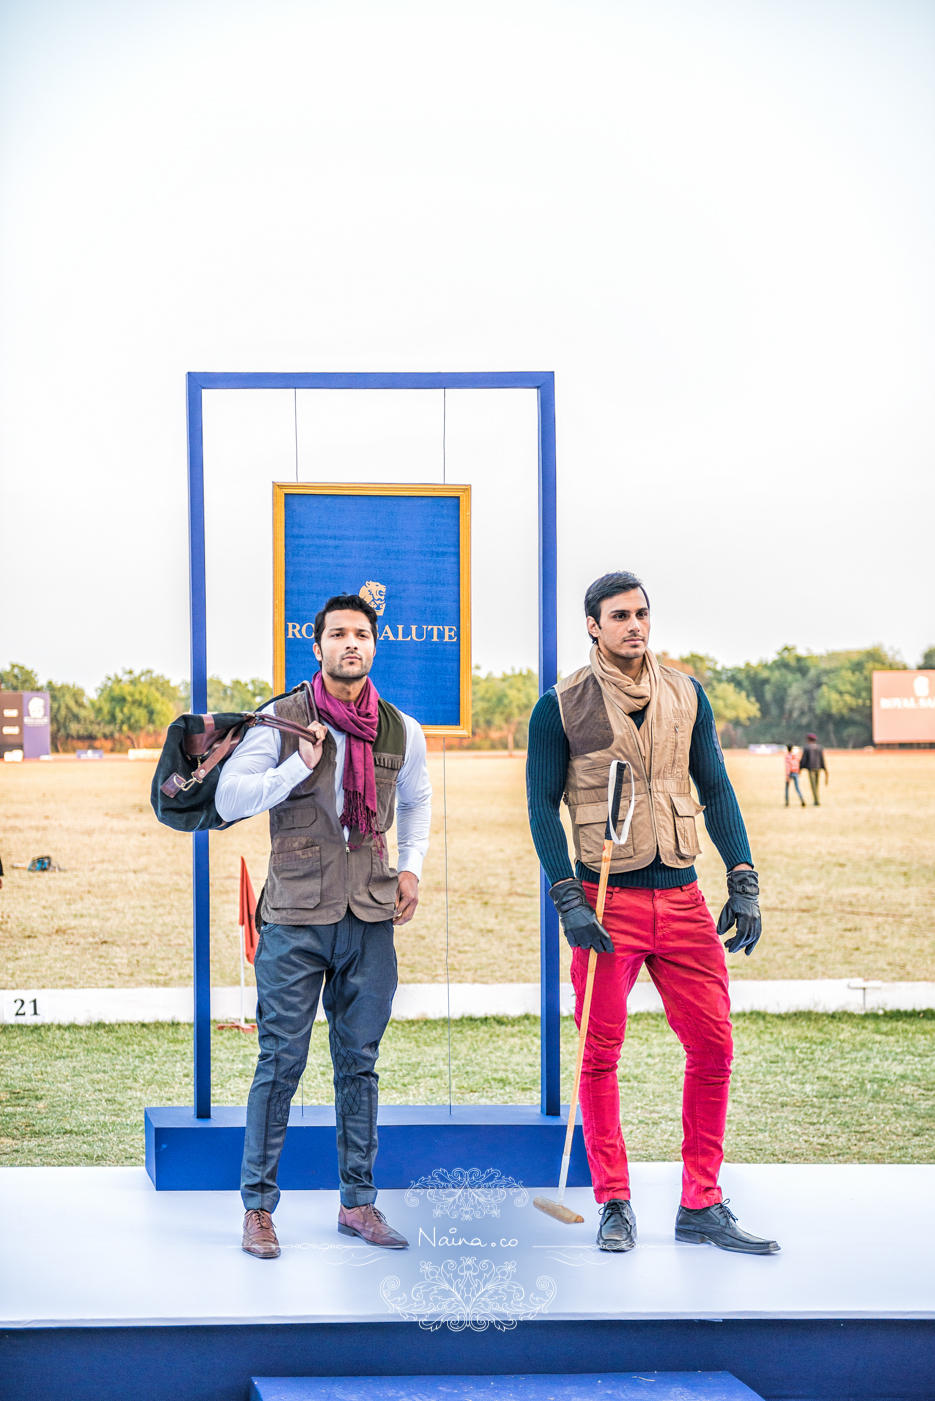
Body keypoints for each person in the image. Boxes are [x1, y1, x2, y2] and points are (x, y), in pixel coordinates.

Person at [526, 571, 778, 1257]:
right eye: (618, 615)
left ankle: (700, 1200)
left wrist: (743, 876)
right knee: (598, 1053)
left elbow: (716, 787)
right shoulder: (561, 706)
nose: (633, 625)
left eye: (640, 613)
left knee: (714, 1045)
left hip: (683, 897)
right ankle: (613, 1200)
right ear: (591, 624)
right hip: (606, 905)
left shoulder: (684, 692)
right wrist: (566, 897)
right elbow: (539, 806)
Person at [215, 593, 431, 1259]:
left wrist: (412, 866)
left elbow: (416, 799)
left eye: (361, 634)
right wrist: (294, 766)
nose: (350, 644)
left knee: (359, 1064)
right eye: (337, 633)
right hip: (293, 914)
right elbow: (229, 798)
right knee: (280, 1060)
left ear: (375, 644)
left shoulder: (400, 728)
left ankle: (357, 1203)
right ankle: (258, 1209)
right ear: (316, 646)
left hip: (368, 913)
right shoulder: (279, 719)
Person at [799, 732, 828, 806]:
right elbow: (822, 759)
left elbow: (804, 759)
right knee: (816, 784)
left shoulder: (807, 747)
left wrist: (800, 768)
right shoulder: (819, 747)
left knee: (813, 785)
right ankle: (816, 798)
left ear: (809, 739)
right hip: (818, 768)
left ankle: (816, 801)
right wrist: (824, 769)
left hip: (811, 768)